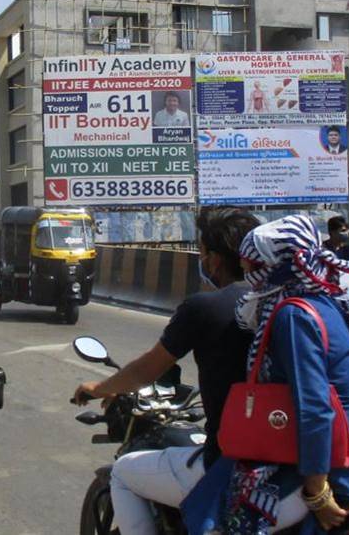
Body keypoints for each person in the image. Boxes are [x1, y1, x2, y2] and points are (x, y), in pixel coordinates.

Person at [180, 215, 349, 534]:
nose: (249, 275)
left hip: (329, 471)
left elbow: (315, 409)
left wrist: (317, 492)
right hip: (345, 457)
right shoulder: (324, 302)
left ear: (275, 267)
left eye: (254, 266)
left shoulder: (293, 315)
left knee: (212, 515)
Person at [72, 207, 260, 525]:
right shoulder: (285, 302)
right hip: (289, 461)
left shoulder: (205, 307)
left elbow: (147, 369)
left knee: (123, 472)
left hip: (228, 462)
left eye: (202, 252)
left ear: (214, 259)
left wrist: (99, 388)